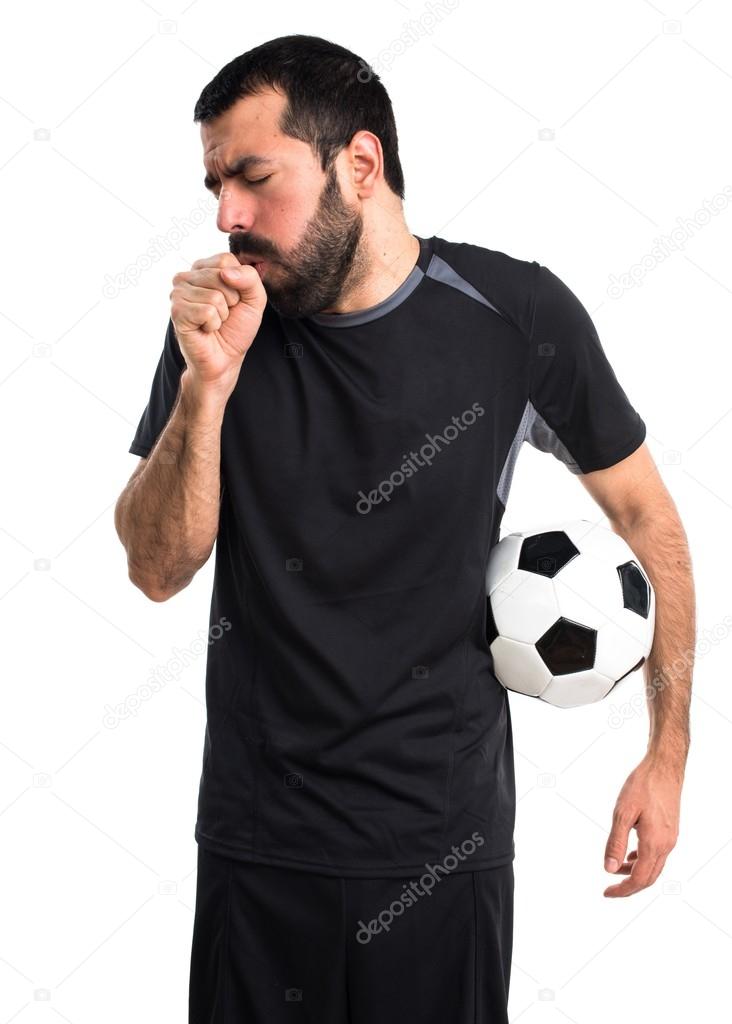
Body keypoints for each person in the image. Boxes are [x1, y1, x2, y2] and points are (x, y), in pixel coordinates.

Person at [114, 33, 693, 1024]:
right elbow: (157, 568)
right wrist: (205, 389)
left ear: (359, 163)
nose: (227, 216)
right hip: (260, 846)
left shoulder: (515, 314)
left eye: (253, 177)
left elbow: (648, 517)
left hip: (441, 849)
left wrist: (666, 754)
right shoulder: (218, 328)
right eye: (215, 185)